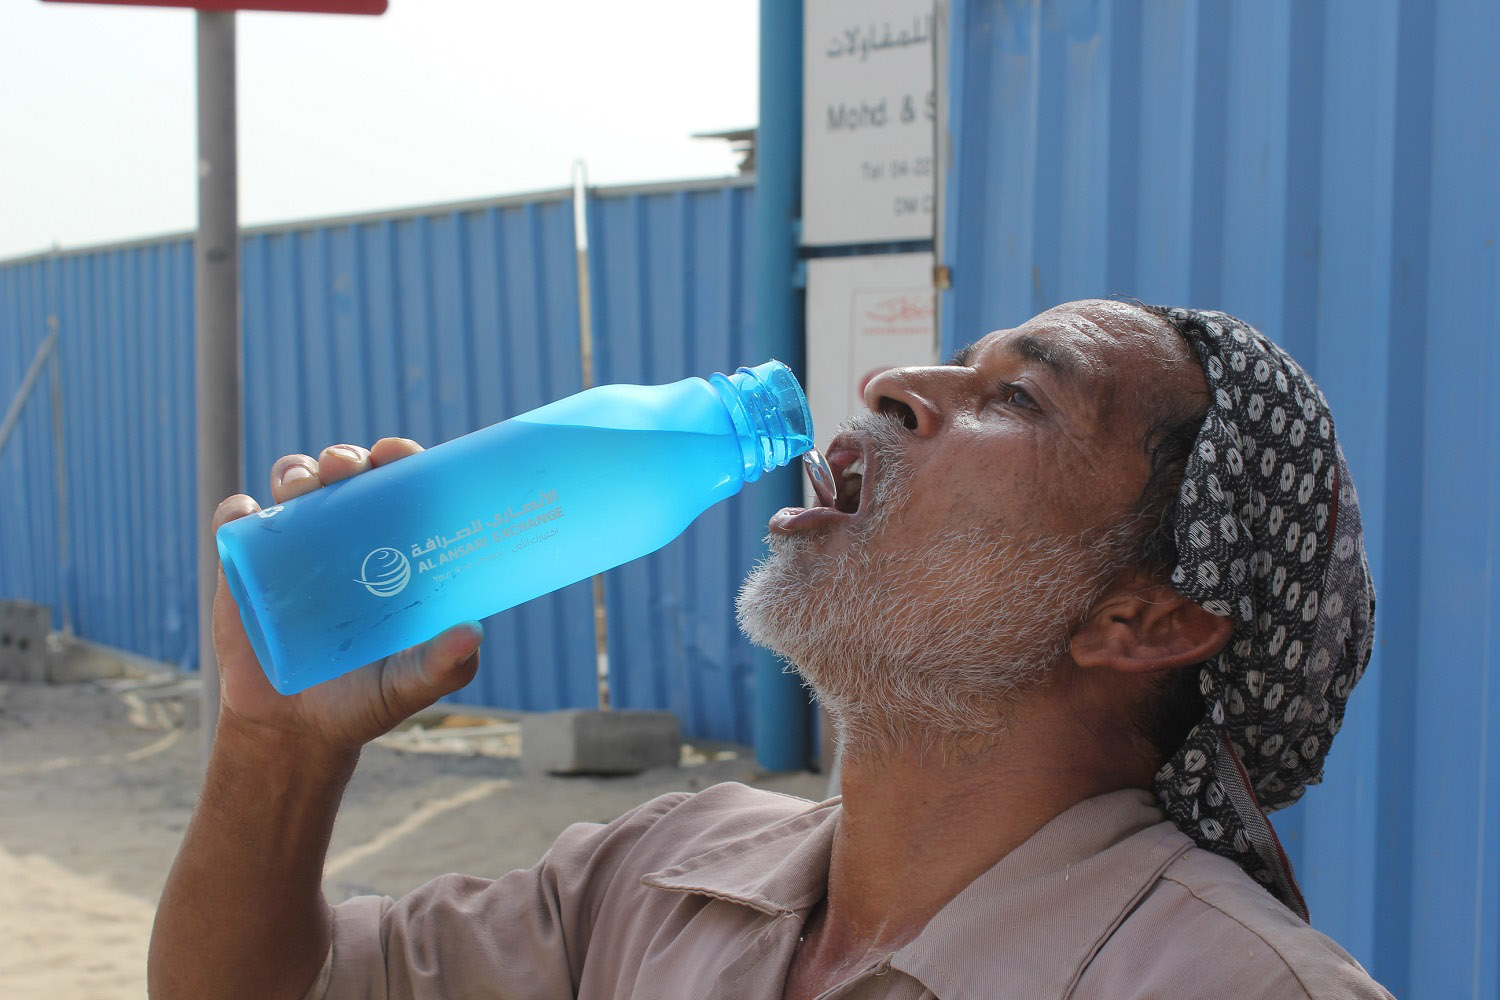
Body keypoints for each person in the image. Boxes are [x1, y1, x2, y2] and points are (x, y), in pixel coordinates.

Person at [148, 299, 1391, 999]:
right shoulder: (654, 876)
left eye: (1017, 396)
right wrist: (275, 744)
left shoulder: (1227, 986)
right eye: (949, 361)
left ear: (1146, 618)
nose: (897, 383)